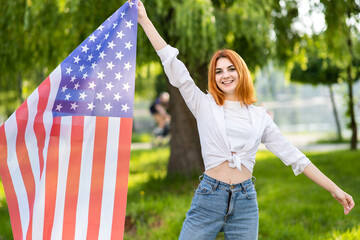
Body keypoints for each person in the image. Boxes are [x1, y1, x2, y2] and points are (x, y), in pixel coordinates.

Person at [136, 1, 355, 239]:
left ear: (241, 72)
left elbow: (295, 157)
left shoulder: (260, 117)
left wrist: (334, 188)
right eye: (218, 71)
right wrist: (145, 21)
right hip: (209, 197)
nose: (225, 75)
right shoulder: (204, 105)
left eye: (231, 69)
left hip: (245, 202)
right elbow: (175, 67)